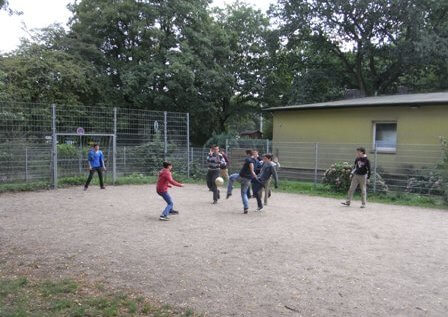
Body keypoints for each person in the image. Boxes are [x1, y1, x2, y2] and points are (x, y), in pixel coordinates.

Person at [226, 149, 257, 214]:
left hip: (241, 177)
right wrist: (254, 174)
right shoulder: (255, 160)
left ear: (248, 154)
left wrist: (252, 172)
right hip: (248, 180)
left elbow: (251, 166)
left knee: (231, 177)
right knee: (244, 194)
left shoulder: (248, 159)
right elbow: (253, 167)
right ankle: (246, 208)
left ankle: (229, 192)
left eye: (246, 154)